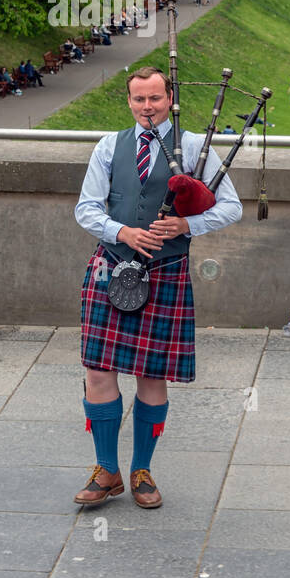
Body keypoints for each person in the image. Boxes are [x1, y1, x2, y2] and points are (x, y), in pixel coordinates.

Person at [73, 66, 242, 510]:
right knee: (98, 370)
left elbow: (232, 207)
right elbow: (86, 209)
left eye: (155, 99)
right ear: (128, 101)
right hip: (111, 265)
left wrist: (188, 223)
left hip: (165, 270)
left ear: (170, 98)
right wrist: (122, 232)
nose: (147, 107)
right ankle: (106, 470)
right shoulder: (110, 147)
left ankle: (142, 471)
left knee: (152, 375)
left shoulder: (193, 148)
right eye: (139, 100)